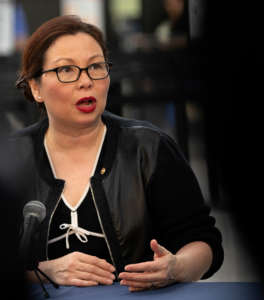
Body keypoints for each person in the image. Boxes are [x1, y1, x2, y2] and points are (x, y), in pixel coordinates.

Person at [13, 15, 223, 292]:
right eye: (66, 70)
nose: (86, 81)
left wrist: (176, 267)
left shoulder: (148, 147)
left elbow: (204, 241)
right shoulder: (9, 156)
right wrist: (39, 271)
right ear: (35, 87)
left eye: (96, 67)